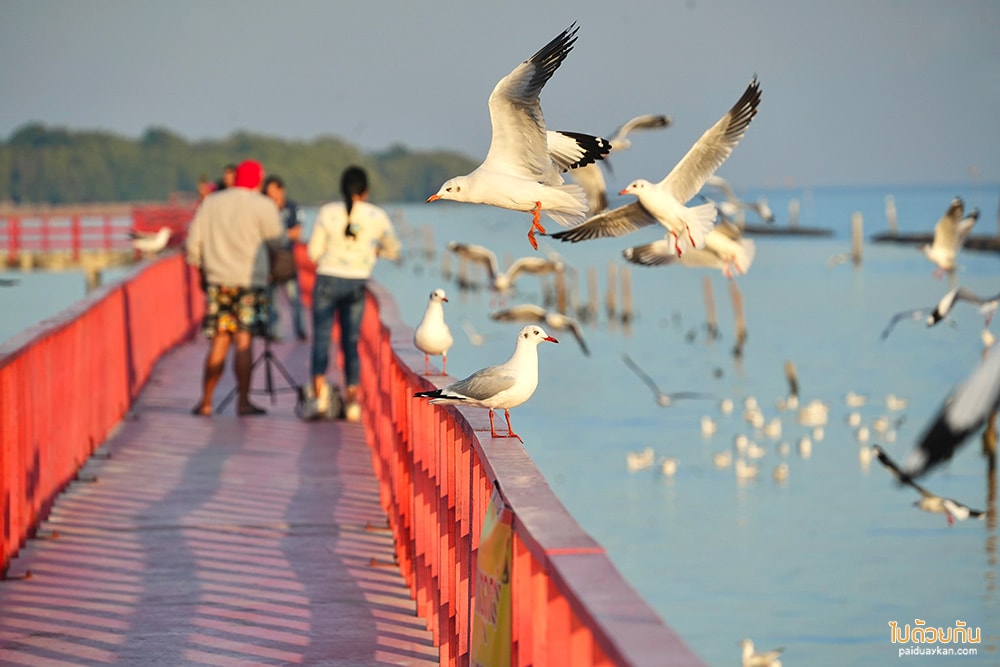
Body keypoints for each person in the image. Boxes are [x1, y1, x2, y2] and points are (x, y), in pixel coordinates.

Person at [186, 159, 284, 416]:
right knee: (243, 340)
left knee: (219, 340)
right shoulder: (262, 205)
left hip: (219, 281)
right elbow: (278, 242)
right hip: (250, 282)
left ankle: (206, 401)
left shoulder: (212, 202)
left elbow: (193, 244)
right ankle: (243, 401)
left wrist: (201, 272)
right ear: (257, 180)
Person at [307, 165, 401, 422]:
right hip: (357, 283)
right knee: (350, 341)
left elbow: (313, 253)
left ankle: (318, 398)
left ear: (342, 189)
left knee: (322, 340)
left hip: (327, 279)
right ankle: (351, 402)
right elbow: (394, 249)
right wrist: (373, 252)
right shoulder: (377, 215)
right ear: (366, 190)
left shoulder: (327, 212)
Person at [262, 175, 307, 342]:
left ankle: (300, 330)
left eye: (274, 191)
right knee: (272, 301)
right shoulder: (264, 209)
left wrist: (276, 236)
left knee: (295, 299)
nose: (272, 196)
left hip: (287, 261)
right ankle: (275, 332)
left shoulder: (292, 207)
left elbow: (298, 232)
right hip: (269, 260)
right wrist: (283, 236)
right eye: (268, 192)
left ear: (282, 190)